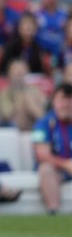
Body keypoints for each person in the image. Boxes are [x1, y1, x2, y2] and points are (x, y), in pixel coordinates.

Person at [32, 83, 72, 215]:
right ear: (54, 101)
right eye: (62, 100)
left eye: (70, 100)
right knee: (46, 169)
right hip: (56, 169)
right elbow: (41, 154)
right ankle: (54, 211)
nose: (66, 105)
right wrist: (66, 164)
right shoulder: (42, 123)